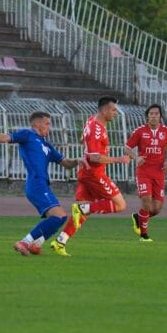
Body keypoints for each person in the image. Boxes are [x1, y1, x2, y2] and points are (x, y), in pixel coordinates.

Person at [0, 111, 86, 256]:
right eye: (47, 123)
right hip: (36, 183)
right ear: (37, 124)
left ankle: (36, 244)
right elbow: (7, 137)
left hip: (42, 184)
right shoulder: (27, 134)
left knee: (61, 217)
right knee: (57, 216)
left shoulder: (46, 145)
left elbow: (66, 163)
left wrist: (77, 160)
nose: (49, 127)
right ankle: (25, 242)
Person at [50, 96, 136, 256]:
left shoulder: (91, 120)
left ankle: (60, 241)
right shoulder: (96, 129)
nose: (116, 113)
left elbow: (83, 139)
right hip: (94, 174)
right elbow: (94, 158)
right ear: (104, 111)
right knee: (120, 205)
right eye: (113, 110)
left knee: (83, 214)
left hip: (86, 172)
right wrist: (119, 159)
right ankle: (81, 208)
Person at [125, 104, 167, 242]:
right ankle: (144, 235)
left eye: (156, 114)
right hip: (144, 172)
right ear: (147, 116)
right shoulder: (140, 131)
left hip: (159, 173)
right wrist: (136, 157)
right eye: (151, 114)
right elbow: (127, 148)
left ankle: (138, 217)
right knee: (146, 200)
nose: (154, 116)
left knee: (156, 209)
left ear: (160, 116)